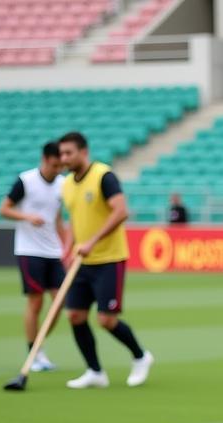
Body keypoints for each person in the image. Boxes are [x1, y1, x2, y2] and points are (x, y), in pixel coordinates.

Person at [57, 131, 154, 388]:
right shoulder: (66, 185)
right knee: (75, 316)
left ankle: (141, 356)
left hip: (109, 259)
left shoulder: (103, 176)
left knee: (106, 320)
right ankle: (95, 372)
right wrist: (68, 248)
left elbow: (121, 211)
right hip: (82, 262)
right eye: (62, 154)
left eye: (69, 153)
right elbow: (73, 221)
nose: (64, 158)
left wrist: (92, 241)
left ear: (83, 152)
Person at [0, 140, 66, 372]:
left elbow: (58, 217)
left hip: (53, 250)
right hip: (29, 250)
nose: (58, 170)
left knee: (60, 301)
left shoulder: (62, 184)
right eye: (55, 165)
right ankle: (33, 353)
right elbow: (4, 209)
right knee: (35, 302)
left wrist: (65, 244)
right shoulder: (26, 180)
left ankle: (39, 345)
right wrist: (28, 217)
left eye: (61, 166)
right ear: (45, 159)